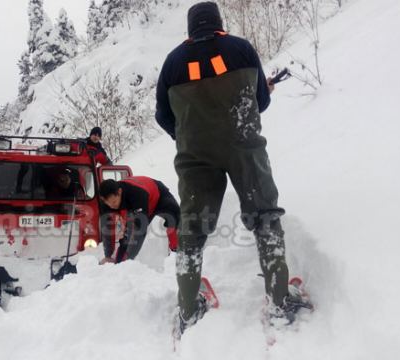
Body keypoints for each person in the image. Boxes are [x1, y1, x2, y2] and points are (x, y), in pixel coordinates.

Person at [155, 1, 310, 332]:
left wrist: (188, 137)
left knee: (192, 230)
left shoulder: (172, 63)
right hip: (244, 148)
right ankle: (281, 299)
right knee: (265, 216)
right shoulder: (240, 48)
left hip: (195, 157)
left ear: (190, 28)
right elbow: (260, 102)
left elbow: (163, 117)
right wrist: (259, 94)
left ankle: (189, 308)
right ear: (219, 23)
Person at [98, 177, 179, 264]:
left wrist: (128, 260)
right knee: (127, 236)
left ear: (120, 192)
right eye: (108, 204)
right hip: (135, 205)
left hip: (159, 196)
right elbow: (107, 230)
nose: (112, 206)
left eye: (114, 202)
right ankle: (119, 262)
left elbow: (140, 231)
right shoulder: (106, 204)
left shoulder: (136, 194)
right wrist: (108, 256)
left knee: (175, 220)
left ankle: (177, 253)